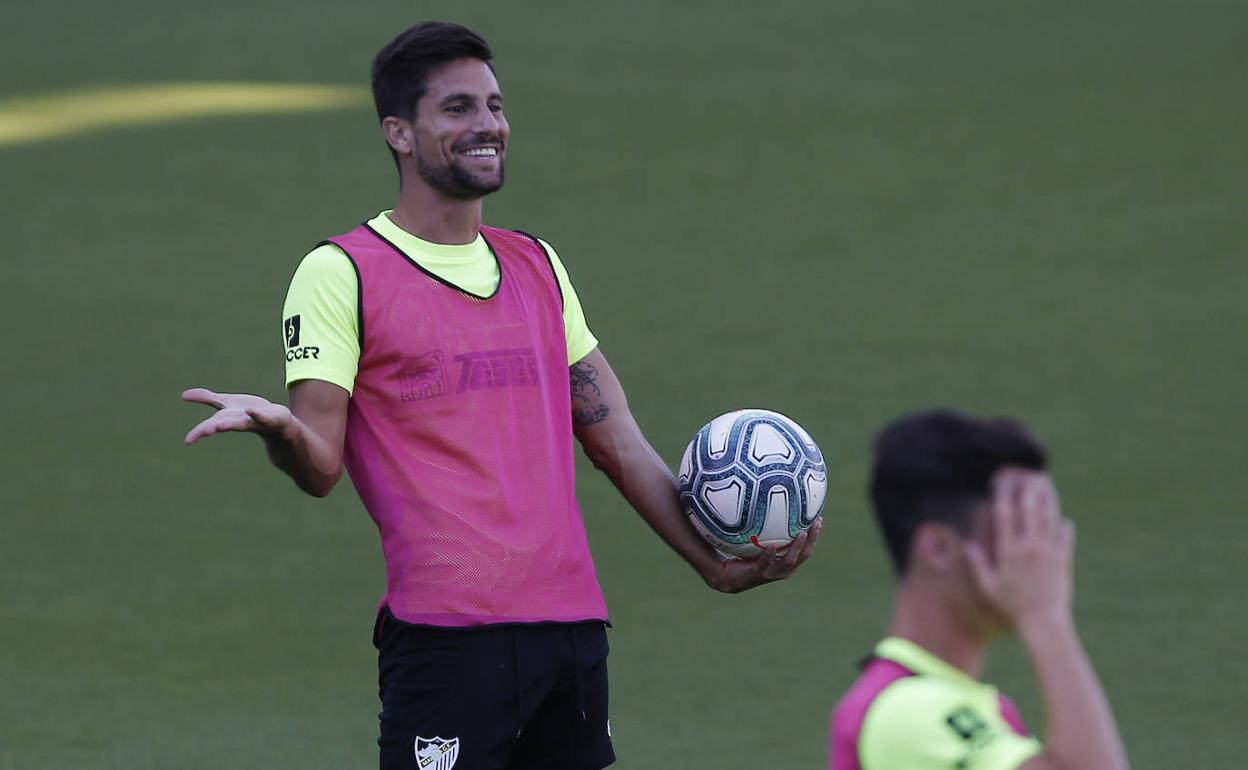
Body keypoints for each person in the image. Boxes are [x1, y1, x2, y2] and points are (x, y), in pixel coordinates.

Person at [182, 21, 820, 770]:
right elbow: (322, 464)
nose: (487, 124)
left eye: (494, 105)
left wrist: (709, 563)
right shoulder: (341, 273)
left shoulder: (537, 266)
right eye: (457, 108)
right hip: (449, 640)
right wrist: (280, 430)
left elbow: (615, 438)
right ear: (398, 131)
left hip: (572, 634)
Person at [829, 409, 1129, 770]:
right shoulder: (905, 712)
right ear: (938, 549)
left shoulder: (983, 710)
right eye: (1020, 526)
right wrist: (1044, 615)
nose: (1044, 553)